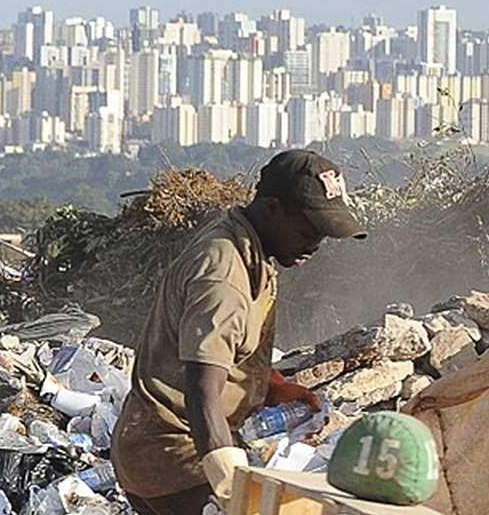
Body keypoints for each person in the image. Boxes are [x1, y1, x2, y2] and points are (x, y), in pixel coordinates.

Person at [111, 150, 367, 515]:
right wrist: (232, 489)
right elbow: (202, 390)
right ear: (271, 209)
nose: (315, 244)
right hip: (175, 460)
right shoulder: (224, 275)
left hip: (165, 452)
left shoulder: (250, 248)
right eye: (308, 229)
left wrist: (271, 385)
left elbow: (226, 350)